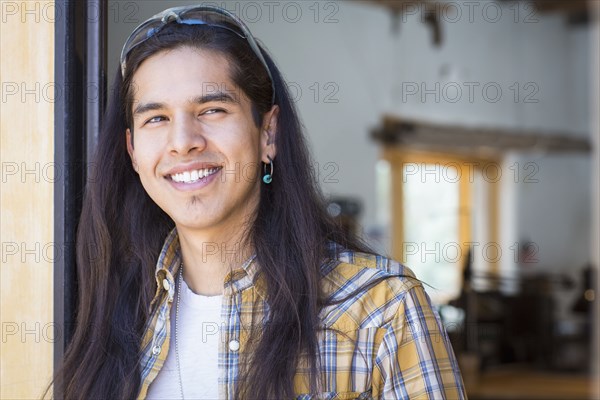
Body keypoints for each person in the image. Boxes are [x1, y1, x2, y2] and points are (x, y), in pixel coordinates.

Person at [46, 5, 466, 400]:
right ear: (133, 151)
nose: (183, 142)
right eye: (156, 118)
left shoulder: (380, 309)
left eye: (211, 109)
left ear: (268, 132)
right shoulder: (114, 312)